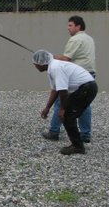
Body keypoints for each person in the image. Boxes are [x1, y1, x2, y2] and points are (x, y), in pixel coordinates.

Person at [33, 50, 98, 155]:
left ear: (41, 63)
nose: (34, 65)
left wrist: (63, 109)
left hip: (87, 88)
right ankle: (78, 142)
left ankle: (78, 147)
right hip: (85, 87)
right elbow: (55, 90)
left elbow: (63, 91)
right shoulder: (52, 67)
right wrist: (47, 108)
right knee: (69, 115)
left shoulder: (55, 68)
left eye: (35, 64)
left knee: (67, 116)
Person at [43, 15, 96, 143]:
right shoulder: (89, 39)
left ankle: (54, 131)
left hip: (76, 77)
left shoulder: (75, 39)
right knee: (84, 105)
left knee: (60, 102)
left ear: (78, 26)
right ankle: (85, 134)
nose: (68, 28)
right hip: (89, 75)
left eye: (70, 25)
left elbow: (66, 58)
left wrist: (50, 58)